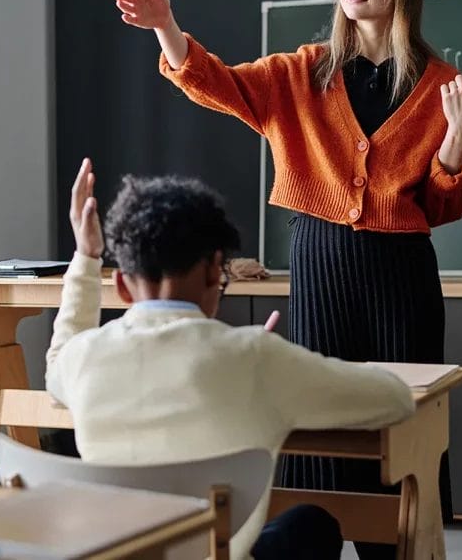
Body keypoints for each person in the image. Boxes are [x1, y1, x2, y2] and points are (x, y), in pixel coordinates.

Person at [108, 0, 462, 558]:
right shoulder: (300, 72)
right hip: (321, 261)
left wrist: (456, 142)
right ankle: (318, 541)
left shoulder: (441, 83)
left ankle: (405, 545)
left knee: (403, 413)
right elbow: (214, 82)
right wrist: (168, 26)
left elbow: (441, 206)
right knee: (318, 417)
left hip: (402, 271)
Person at [45, 158, 416, 560]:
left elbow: (59, 355)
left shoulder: (83, 358)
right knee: (311, 524)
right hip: (221, 553)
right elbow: (394, 400)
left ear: (121, 286)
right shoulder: (254, 357)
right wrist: (275, 363)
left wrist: (86, 257)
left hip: (125, 553)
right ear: (213, 273)